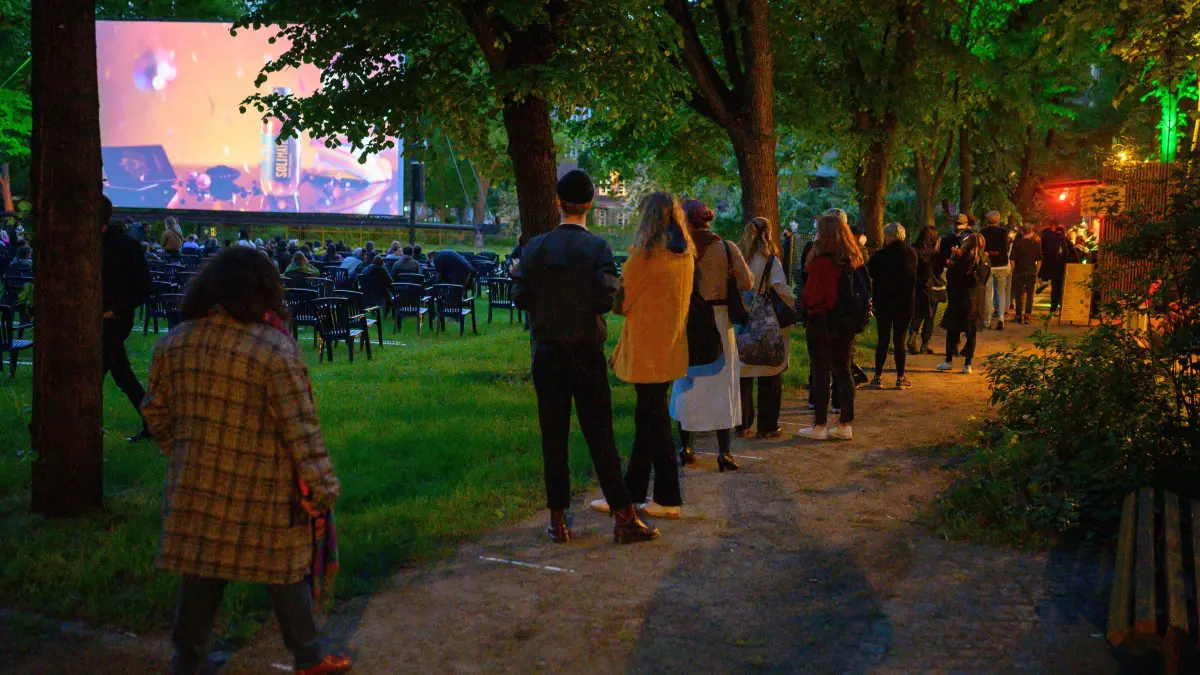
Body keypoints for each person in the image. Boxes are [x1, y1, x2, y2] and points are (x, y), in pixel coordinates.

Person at [141, 248, 351, 675]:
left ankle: (187, 663)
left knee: (200, 574)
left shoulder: (174, 342)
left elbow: (156, 414)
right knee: (285, 571)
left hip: (198, 489)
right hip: (266, 492)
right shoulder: (274, 350)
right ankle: (308, 657)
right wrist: (324, 488)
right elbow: (301, 430)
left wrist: (186, 454)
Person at [513, 169, 658, 544]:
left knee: (553, 435)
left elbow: (520, 297)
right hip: (584, 351)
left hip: (546, 352)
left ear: (557, 203)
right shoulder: (598, 249)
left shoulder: (535, 247)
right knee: (600, 435)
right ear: (590, 204)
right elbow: (606, 297)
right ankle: (624, 516)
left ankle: (558, 520)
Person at [591, 191, 693, 520]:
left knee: (656, 424)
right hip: (671, 347)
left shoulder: (644, 257)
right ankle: (631, 492)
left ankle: (666, 498)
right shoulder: (686, 255)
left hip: (647, 351)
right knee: (647, 421)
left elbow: (621, 302)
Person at [671, 198, 753, 469]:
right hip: (719, 320)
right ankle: (724, 452)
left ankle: (686, 447)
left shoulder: (678, 248)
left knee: (686, 383)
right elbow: (747, 281)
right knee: (722, 385)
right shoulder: (727, 248)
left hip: (687, 319)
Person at [797, 209, 863, 441]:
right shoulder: (853, 258)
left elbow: (811, 296)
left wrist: (804, 312)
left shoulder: (820, 261)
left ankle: (819, 425)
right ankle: (845, 424)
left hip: (821, 320)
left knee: (821, 371)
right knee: (844, 370)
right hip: (846, 323)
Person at [99, 197, 153, 442]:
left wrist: (117, 309)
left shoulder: (126, 246)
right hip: (100, 318)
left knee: (97, 369)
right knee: (121, 373)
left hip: (115, 319)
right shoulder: (83, 246)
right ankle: (152, 423)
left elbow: (143, 287)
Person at [737, 216, 795, 439]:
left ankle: (742, 424)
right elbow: (780, 288)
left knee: (743, 373)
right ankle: (767, 426)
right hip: (766, 319)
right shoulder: (770, 260)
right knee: (771, 372)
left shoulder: (739, 257)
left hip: (743, 317)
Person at [867, 222, 917, 390]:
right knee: (900, 340)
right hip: (904, 302)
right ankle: (900, 377)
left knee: (883, 339)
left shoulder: (880, 255)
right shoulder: (910, 254)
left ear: (887, 236)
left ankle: (878, 376)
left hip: (883, 302)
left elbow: (870, 274)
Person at [937, 233, 990, 375]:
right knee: (971, 332)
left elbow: (951, 276)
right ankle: (968, 364)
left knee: (953, 329)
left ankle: (948, 361)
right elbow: (984, 279)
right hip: (976, 299)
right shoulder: (984, 260)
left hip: (960, 296)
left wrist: (953, 259)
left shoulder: (962, 259)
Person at [908, 225, 939, 355]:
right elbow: (937, 270)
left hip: (916, 286)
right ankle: (925, 343)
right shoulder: (933, 253)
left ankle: (913, 335)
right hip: (929, 286)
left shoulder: (913, 249)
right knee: (930, 316)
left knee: (917, 314)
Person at [980, 211, 1011, 330]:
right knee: (1001, 293)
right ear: (998, 220)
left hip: (988, 265)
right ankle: (1001, 318)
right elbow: (1006, 247)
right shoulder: (1003, 232)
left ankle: (987, 320)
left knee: (988, 293)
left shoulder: (983, 233)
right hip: (1002, 265)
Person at [1010, 224, 1041, 324]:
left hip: (1019, 271)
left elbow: (1012, 259)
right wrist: (1037, 271)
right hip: (1031, 271)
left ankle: (1018, 315)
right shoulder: (1036, 243)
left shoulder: (1017, 243)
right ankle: (1027, 315)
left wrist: (1014, 269)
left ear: (1022, 232)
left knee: (1018, 294)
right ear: (1031, 232)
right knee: (1030, 294)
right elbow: (1039, 260)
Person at [1040, 220, 1069, 314]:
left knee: (1054, 287)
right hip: (1061, 266)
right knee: (1059, 286)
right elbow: (1067, 252)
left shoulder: (1047, 238)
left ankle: (1053, 307)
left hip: (1050, 265)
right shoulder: (1062, 238)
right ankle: (1061, 306)